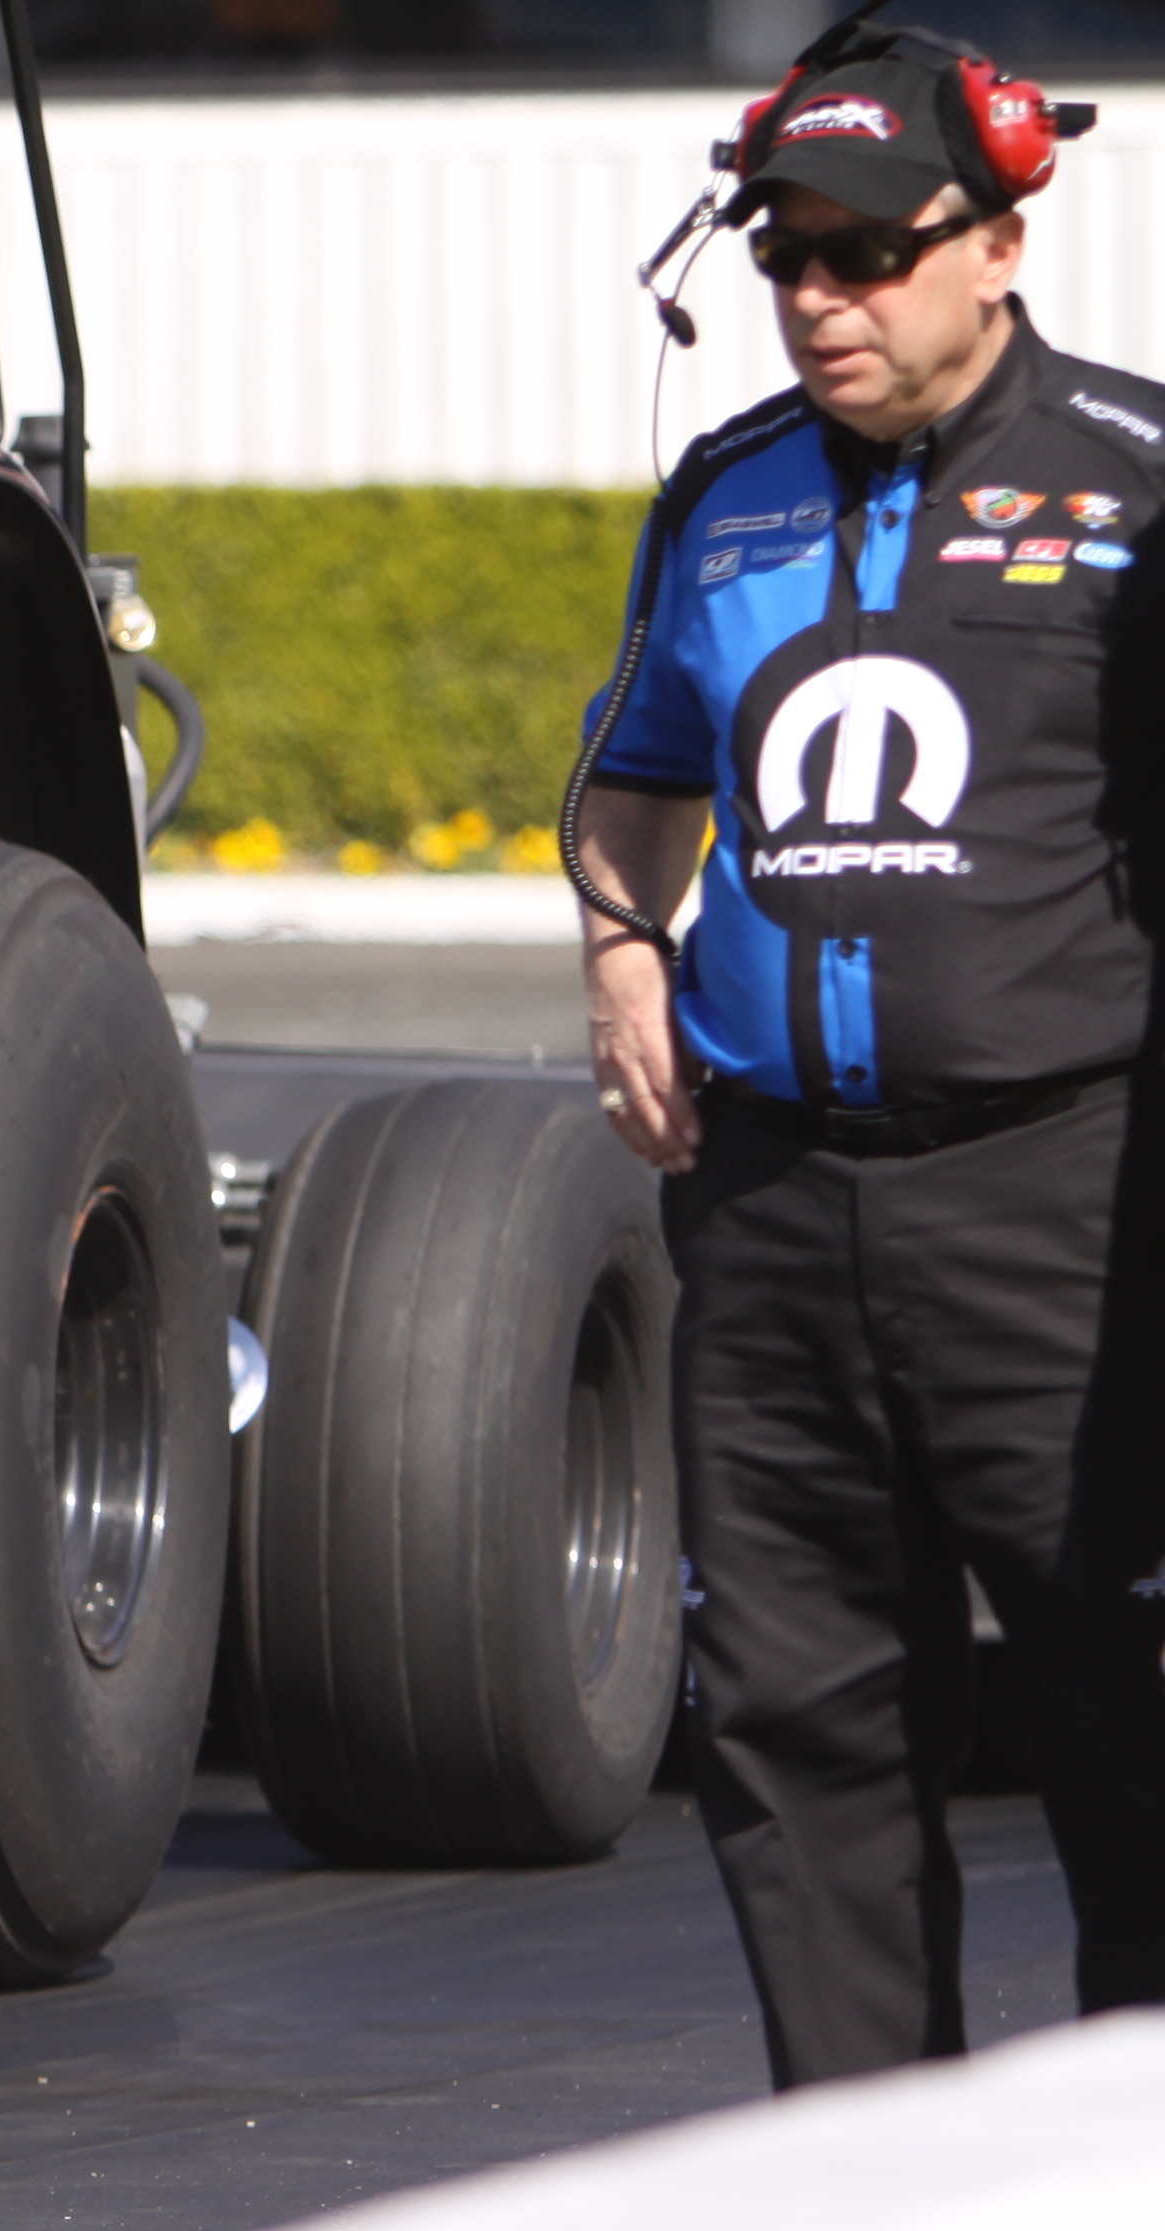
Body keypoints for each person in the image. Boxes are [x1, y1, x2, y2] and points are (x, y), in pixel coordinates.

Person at [571, 20, 1165, 2083]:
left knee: (1127, 1706)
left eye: (870, 254)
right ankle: (857, 2208)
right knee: (797, 1724)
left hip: (1069, 1199)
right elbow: (638, 776)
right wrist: (625, 954)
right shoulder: (723, 498)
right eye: (785, 259)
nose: (821, 299)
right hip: (771, 1201)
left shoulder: (1137, 487)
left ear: (998, 241)